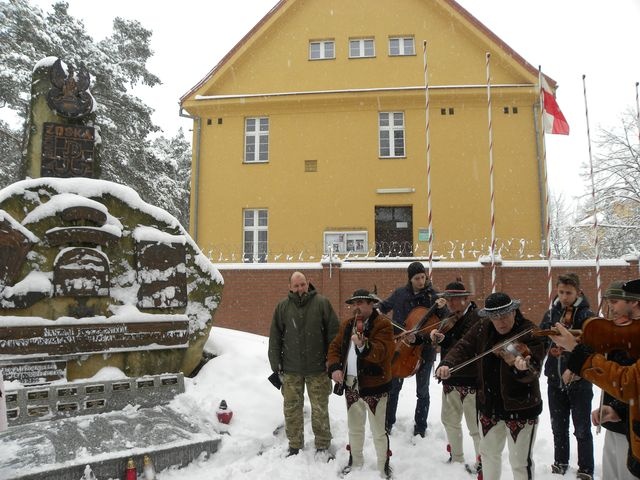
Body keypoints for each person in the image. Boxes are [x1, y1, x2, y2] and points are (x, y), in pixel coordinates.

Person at [435, 292, 545, 480]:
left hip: (521, 407)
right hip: (489, 405)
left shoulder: (529, 331)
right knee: (488, 456)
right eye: (495, 317)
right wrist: (447, 363)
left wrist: (522, 368)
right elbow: (464, 346)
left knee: (520, 462)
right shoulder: (483, 327)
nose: (500, 322)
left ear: (514, 311)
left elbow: (534, 367)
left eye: (504, 316)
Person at [551, 279, 640, 479]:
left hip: (632, 433)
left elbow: (629, 383)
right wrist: (617, 408)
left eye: (615, 301)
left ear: (633, 302)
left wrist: (576, 350)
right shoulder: (622, 332)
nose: (610, 307)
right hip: (621, 425)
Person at [268, 271, 340, 458]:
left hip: (318, 369)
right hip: (291, 369)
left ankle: (323, 445)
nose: (300, 289)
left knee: (320, 409)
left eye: (302, 284)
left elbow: (334, 334)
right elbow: (275, 337)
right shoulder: (282, 307)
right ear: (290, 287)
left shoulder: (322, 304)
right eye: (296, 286)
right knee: (291, 409)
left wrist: (331, 361)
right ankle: (294, 445)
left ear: (308, 284)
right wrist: (276, 364)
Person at [327, 289, 395, 478]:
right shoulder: (348, 325)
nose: (356, 307)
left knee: (378, 430)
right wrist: (334, 367)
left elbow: (384, 352)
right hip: (350, 382)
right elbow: (334, 347)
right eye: (354, 303)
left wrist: (364, 345)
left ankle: (383, 467)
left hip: (375, 384)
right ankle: (355, 461)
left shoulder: (383, 324)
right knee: (355, 427)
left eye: (361, 303)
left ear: (371, 304)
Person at [379, 261, 447, 437]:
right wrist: (377, 310)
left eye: (423, 277)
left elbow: (443, 321)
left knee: (422, 390)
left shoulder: (433, 296)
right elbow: (384, 306)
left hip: (424, 350)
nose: (421, 281)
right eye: (417, 278)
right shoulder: (400, 294)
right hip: (401, 348)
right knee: (394, 388)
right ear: (410, 279)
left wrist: (443, 307)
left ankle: (420, 427)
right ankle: (388, 423)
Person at [539, 273, 595, 479]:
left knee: (581, 427)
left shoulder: (587, 316)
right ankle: (560, 462)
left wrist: (575, 367)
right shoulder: (550, 314)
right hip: (555, 379)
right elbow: (541, 340)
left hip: (579, 381)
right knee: (558, 426)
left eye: (568, 293)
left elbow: (591, 348)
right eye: (561, 292)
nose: (564, 297)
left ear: (578, 292)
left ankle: (586, 468)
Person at [430, 281, 481, 475]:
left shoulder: (477, 317)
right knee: (449, 420)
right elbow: (445, 340)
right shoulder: (448, 317)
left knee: (474, 426)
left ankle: (481, 460)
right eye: (448, 299)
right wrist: (433, 335)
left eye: (454, 299)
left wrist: (446, 339)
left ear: (466, 298)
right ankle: (457, 456)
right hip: (450, 378)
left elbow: (466, 344)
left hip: (470, 378)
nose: (450, 303)